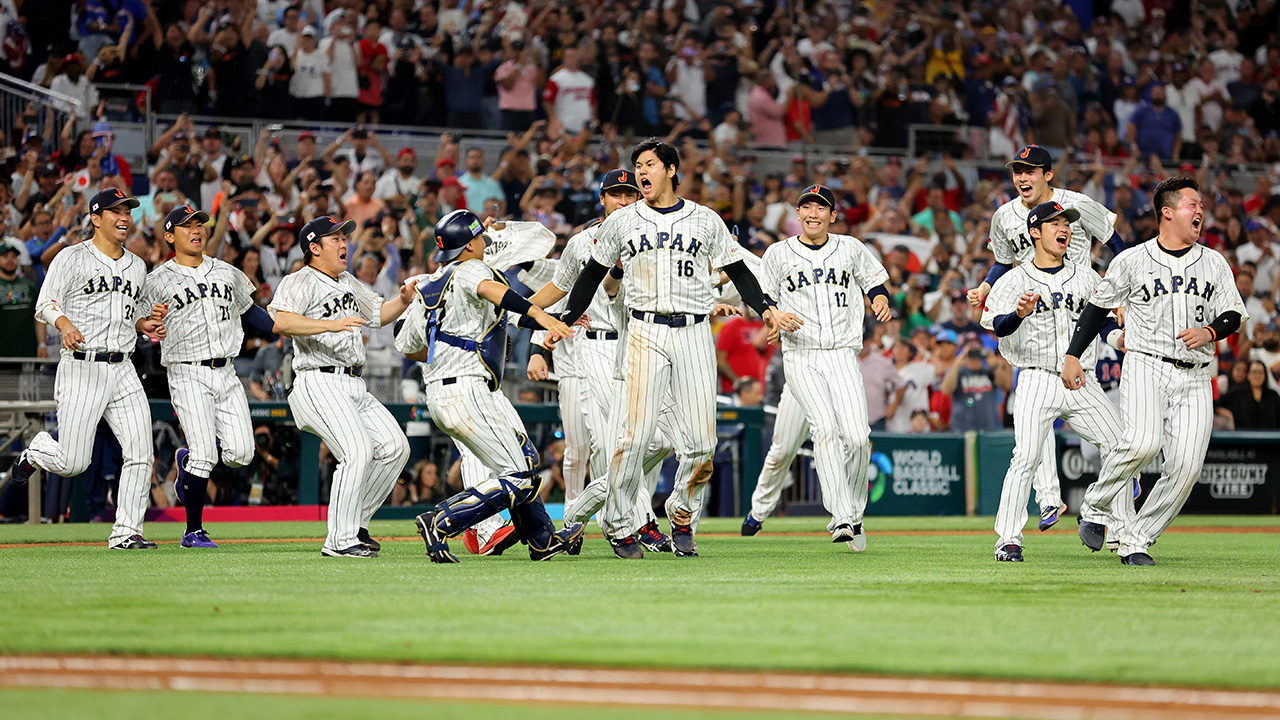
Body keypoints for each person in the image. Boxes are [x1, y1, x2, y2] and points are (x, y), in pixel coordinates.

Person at [559, 139, 798, 559]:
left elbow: (738, 271)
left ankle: (682, 513)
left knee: (703, 444)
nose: (641, 173)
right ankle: (618, 527)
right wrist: (562, 320)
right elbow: (592, 276)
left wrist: (767, 309)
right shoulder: (622, 222)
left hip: (693, 333)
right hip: (643, 331)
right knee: (632, 440)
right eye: (637, 166)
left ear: (670, 169)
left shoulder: (705, 220)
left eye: (649, 164)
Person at [1062, 177, 1248, 566]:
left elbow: (1233, 313)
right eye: (1191, 204)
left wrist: (1211, 331)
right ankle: (1095, 506)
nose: (1200, 211)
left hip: (1196, 374)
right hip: (1146, 363)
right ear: (1167, 211)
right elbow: (1097, 309)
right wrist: (1073, 355)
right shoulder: (1131, 259)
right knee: (1143, 443)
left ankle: (1137, 537)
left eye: (1200, 205)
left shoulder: (1213, 262)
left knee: (1186, 467)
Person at [406, 209, 584, 564]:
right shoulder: (471, 267)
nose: (484, 243)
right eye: (479, 238)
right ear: (469, 243)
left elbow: (410, 346)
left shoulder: (427, 284)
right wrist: (541, 316)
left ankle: (541, 538)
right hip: (467, 390)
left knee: (527, 461)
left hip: (445, 390)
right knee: (519, 475)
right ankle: (440, 521)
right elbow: (496, 292)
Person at [966, 144, 1125, 522]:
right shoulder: (1005, 216)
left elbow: (1117, 245)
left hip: (1080, 308)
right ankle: (1039, 508)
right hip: (1034, 318)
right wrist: (988, 289)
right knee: (1029, 447)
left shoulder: (1077, 208)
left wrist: (1119, 295)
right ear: (1035, 231)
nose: (1023, 176)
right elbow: (1002, 264)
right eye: (1017, 170)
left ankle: (1111, 515)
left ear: (1047, 174)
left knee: (1121, 443)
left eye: (1031, 170)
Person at [524, 169, 672, 553]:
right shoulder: (580, 243)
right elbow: (558, 292)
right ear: (602, 199)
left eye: (629, 194)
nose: (623, 201)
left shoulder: (653, 238)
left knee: (658, 440)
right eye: (615, 195)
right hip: (597, 348)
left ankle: (575, 515)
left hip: (643, 344)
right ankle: (638, 523)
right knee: (611, 446)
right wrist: (531, 326)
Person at [8, 189, 166, 549]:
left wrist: (145, 325)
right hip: (83, 366)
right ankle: (36, 450)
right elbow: (45, 303)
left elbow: (135, 314)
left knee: (141, 452)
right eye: (115, 211)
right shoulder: (72, 257)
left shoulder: (137, 266)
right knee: (73, 462)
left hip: (123, 367)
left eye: (127, 211)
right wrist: (63, 323)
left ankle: (126, 532)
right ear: (96, 218)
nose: (124, 217)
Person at [267, 216, 416, 558]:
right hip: (317, 379)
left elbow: (379, 313)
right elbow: (281, 320)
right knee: (357, 450)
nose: (344, 242)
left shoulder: (348, 280)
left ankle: (355, 524)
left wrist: (404, 299)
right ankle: (339, 540)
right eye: (334, 238)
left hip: (353, 382)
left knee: (395, 447)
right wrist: (330, 325)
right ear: (314, 247)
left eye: (344, 236)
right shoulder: (300, 279)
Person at [752, 184, 891, 550]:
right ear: (797, 214)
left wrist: (879, 300)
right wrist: (773, 315)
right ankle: (841, 516)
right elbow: (762, 295)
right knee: (825, 431)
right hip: (801, 354)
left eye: (820, 208)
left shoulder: (850, 247)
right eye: (806, 207)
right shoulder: (778, 253)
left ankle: (855, 515)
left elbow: (876, 281)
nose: (812, 213)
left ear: (833, 215)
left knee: (859, 438)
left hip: (843, 353)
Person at [144, 206, 279, 548]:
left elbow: (253, 315)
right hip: (187, 370)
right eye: (187, 226)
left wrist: (287, 328)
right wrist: (148, 325)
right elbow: (139, 321)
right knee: (206, 453)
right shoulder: (157, 279)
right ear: (170, 236)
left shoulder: (227, 272)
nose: (197, 230)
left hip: (227, 371)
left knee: (241, 453)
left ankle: (187, 464)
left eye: (200, 224)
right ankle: (193, 531)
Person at [0, 244, 40, 358]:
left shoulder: (29, 286)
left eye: (14, 256)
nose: (10, 260)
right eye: (5, 256)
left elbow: (38, 318)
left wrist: (42, 344)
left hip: (27, 351)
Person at [1217, 361, 1280, 430]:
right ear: (1248, 375)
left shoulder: (1273, 396)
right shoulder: (1237, 394)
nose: (1257, 376)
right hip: (1242, 438)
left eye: (1260, 372)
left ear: (1265, 375)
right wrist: (1228, 414)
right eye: (1254, 372)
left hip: (1270, 438)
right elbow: (1215, 404)